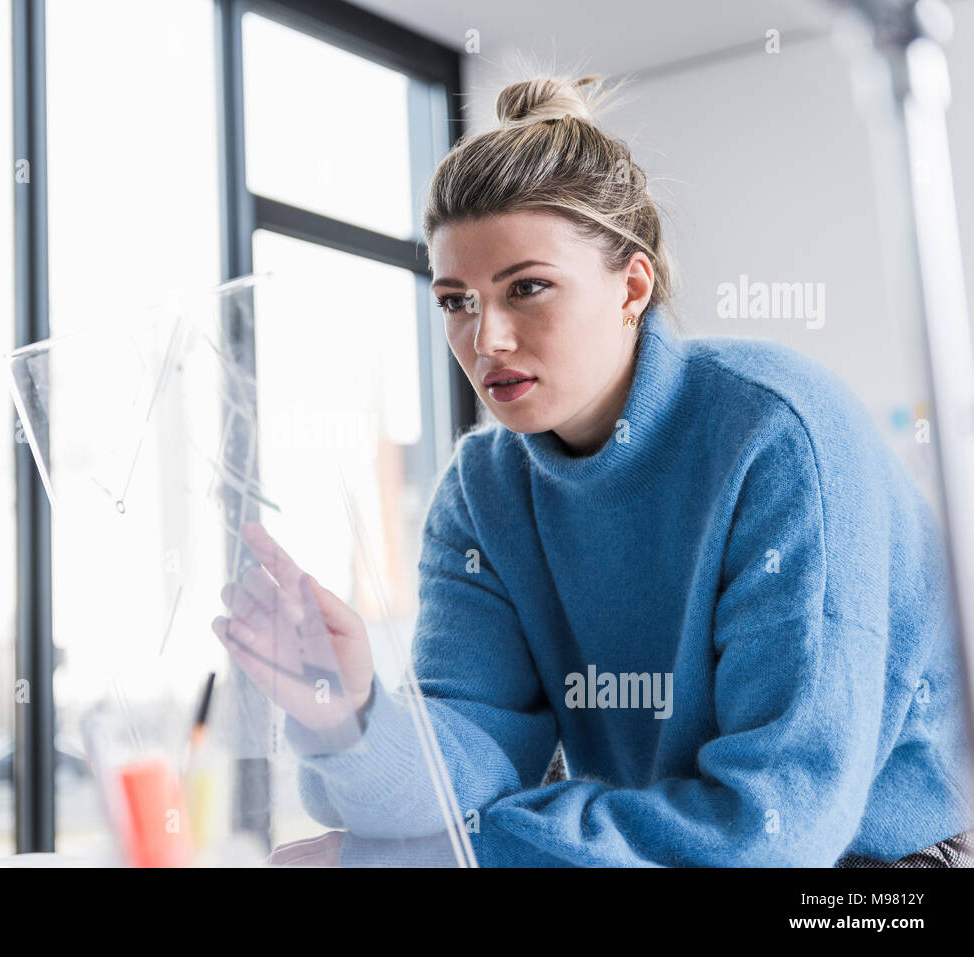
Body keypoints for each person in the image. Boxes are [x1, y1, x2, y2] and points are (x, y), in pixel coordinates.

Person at [211, 72, 974, 867]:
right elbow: (471, 756)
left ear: (632, 286)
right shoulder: (483, 493)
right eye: (455, 300)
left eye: (527, 288)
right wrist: (353, 715)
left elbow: (773, 826)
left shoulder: (777, 440)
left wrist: (422, 859)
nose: (487, 339)